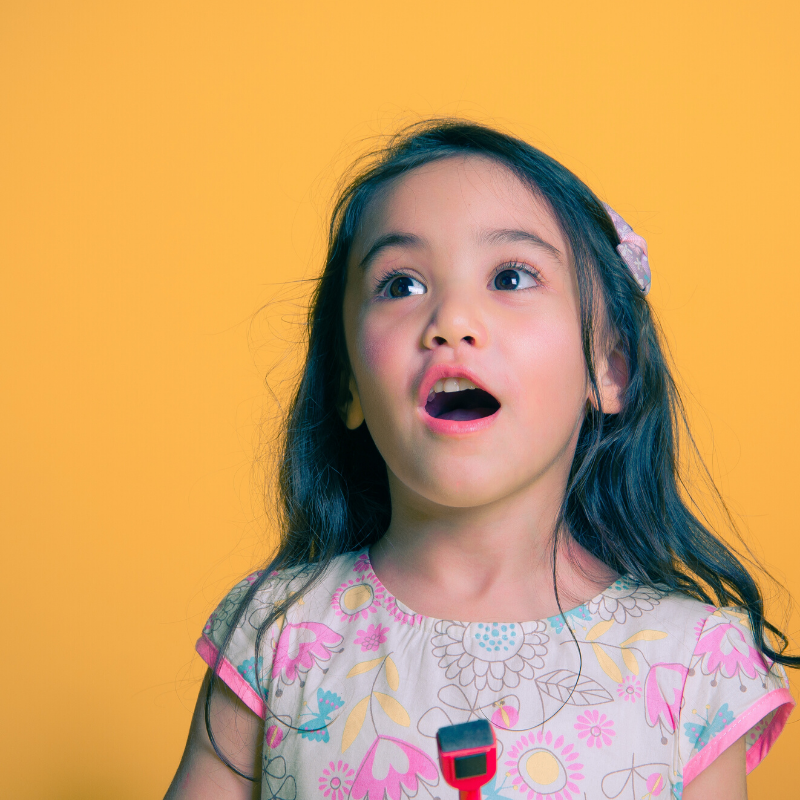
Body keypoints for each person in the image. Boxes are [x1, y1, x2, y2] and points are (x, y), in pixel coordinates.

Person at [164, 120, 796, 800]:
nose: (452, 319)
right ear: (348, 383)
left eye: (511, 276)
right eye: (401, 285)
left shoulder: (692, 663)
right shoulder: (277, 634)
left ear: (609, 369)